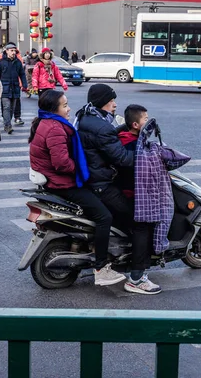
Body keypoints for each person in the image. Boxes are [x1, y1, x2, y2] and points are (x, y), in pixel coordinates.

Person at [29, 90, 125, 287]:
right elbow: (61, 163)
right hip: (62, 184)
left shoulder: (45, 122)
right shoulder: (55, 128)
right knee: (104, 216)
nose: (69, 108)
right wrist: (83, 170)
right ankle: (100, 268)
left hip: (53, 181)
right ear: (53, 109)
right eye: (64, 105)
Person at [74, 84, 156, 291]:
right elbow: (122, 158)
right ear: (103, 102)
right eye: (112, 101)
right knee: (141, 222)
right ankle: (137, 278)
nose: (115, 104)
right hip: (102, 184)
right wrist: (148, 156)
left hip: (91, 179)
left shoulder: (86, 117)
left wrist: (120, 129)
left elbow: (105, 141)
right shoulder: (102, 127)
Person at [117, 104, 160, 294]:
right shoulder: (134, 146)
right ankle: (136, 277)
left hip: (121, 191)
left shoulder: (122, 139)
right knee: (143, 227)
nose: (148, 121)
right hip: (132, 194)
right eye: (145, 119)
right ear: (135, 124)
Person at [0, 43, 28, 133]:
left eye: (15, 51)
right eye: (11, 51)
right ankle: (8, 125)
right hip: (4, 88)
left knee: (12, 108)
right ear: (7, 51)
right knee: (6, 106)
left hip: (15, 88)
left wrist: (25, 85)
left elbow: (22, 74)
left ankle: (7, 120)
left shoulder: (17, 62)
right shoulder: (1, 62)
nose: (13, 53)